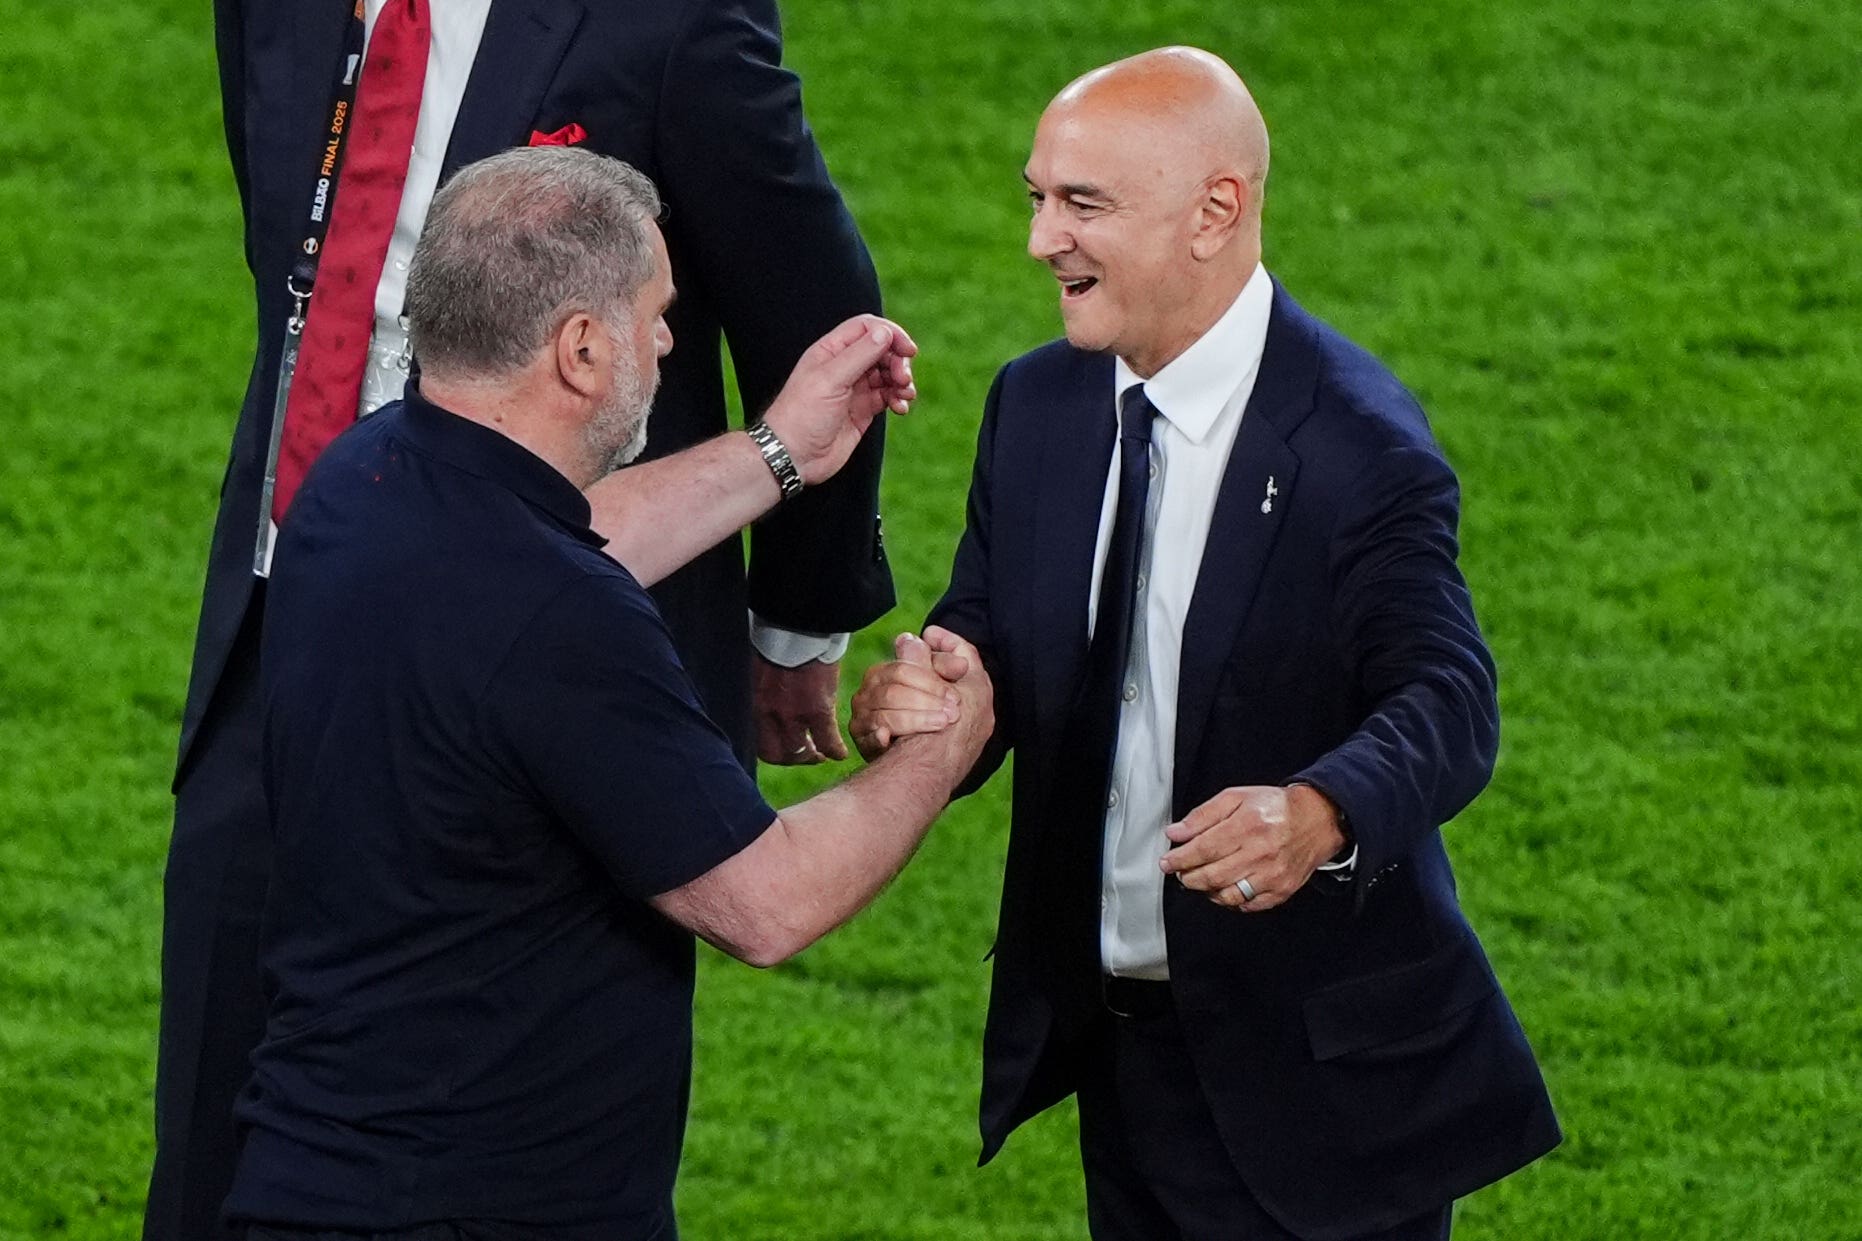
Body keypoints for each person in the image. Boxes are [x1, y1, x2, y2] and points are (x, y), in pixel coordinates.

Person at [155, 2, 891, 1235]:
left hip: (539, 623)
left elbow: (806, 294)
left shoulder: (670, 21)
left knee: (527, 1088)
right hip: (304, 599)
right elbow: (297, 268)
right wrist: (945, 745)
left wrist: (793, 617)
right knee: (220, 1099)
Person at [851, 47, 1560, 1241]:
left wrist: (1320, 810)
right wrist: (935, 686)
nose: (1039, 240)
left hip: (1316, 1095)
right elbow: (990, 623)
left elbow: (1448, 696)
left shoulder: (1354, 445)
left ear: (1213, 212)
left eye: (1082, 205)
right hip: (1123, 1061)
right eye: (1036, 197)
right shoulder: (1039, 405)